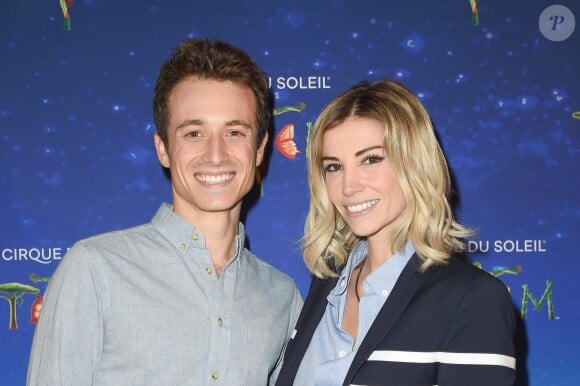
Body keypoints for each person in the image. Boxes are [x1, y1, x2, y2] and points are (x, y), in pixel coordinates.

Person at [27, 38, 303, 386]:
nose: (215, 154)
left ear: (260, 149)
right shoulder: (95, 271)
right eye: (193, 133)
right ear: (163, 149)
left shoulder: (281, 295)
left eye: (234, 132)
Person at [276, 80, 516, 385]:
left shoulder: (471, 299)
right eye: (334, 167)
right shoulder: (326, 286)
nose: (349, 186)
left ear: (413, 163)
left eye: (371, 159)